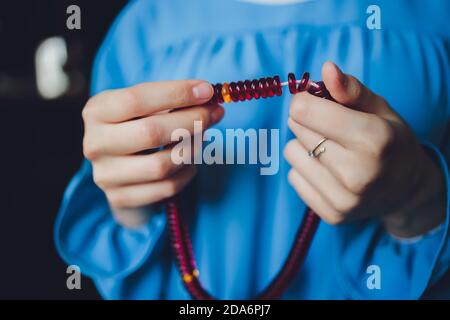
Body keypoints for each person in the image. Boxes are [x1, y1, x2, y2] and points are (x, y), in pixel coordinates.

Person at [54, 0, 450, 299]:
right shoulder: (141, 31)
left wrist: (417, 196)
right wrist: (130, 204)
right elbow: (121, 243)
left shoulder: (435, 20)